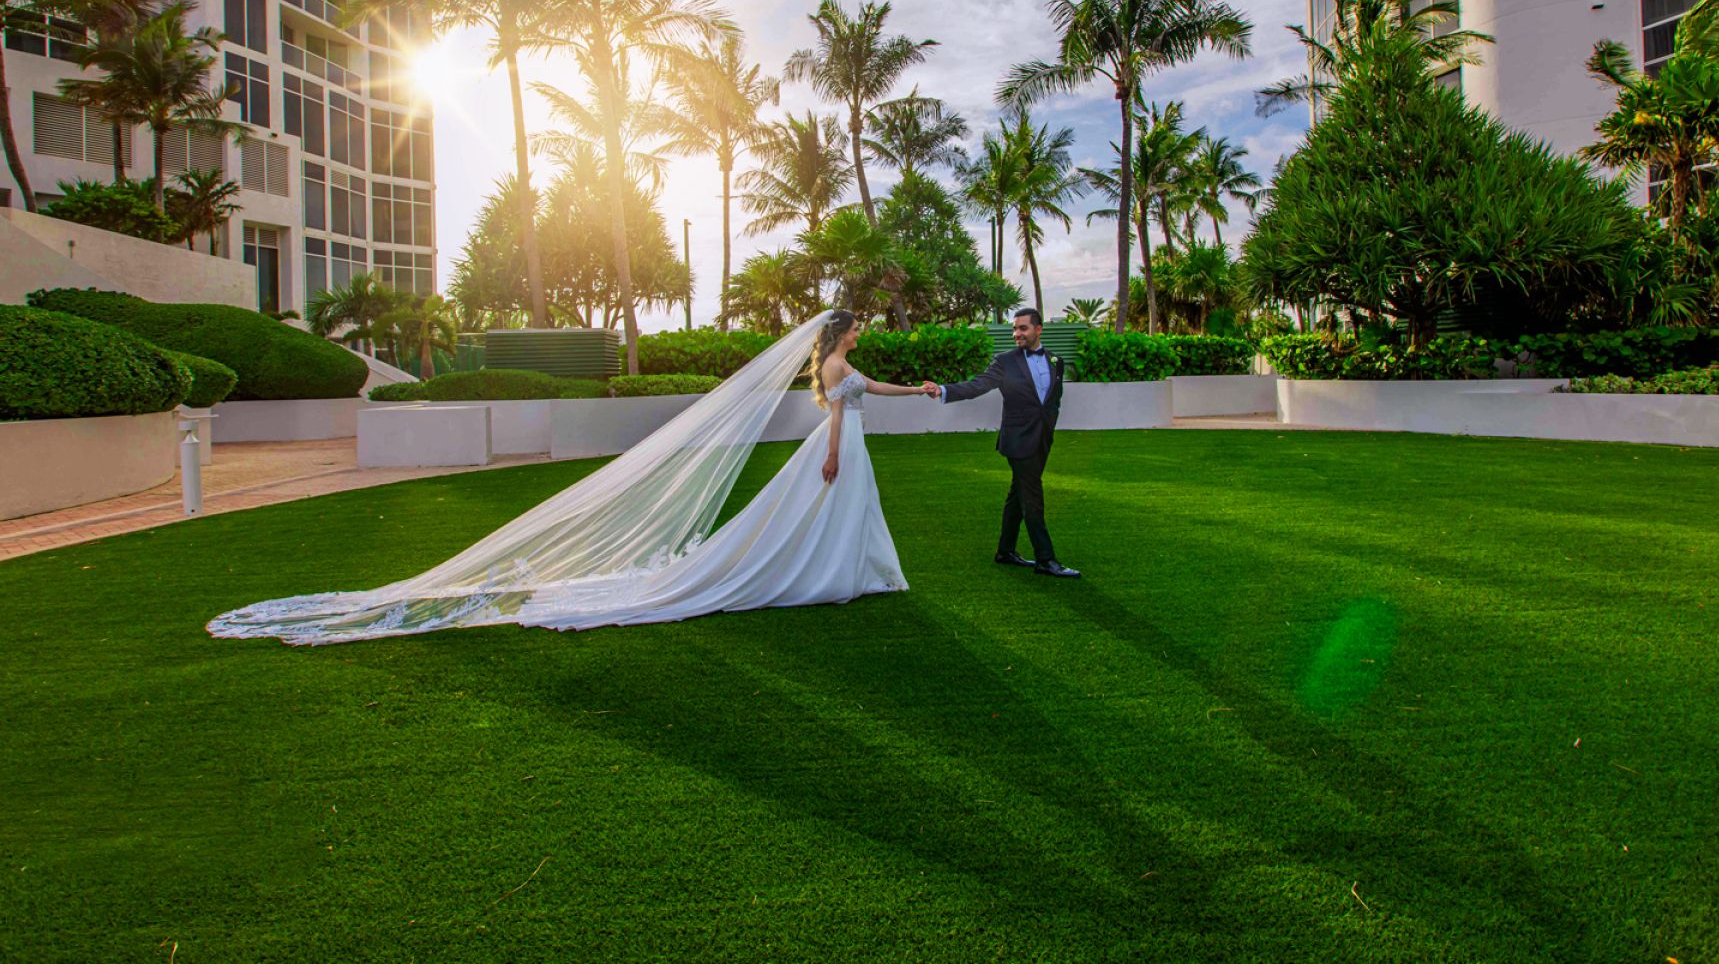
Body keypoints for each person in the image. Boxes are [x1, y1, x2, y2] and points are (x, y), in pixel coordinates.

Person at [209, 310, 934, 644]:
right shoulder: (835, 368)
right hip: (841, 449)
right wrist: (834, 452)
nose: (858, 339)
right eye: (856, 331)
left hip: (852, 445)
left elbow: (873, 392)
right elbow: (840, 413)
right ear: (839, 336)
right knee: (824, 514)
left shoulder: (843, 366)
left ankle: (859, 571)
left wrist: (922, 389)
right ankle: (840, 574)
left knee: (843, 517)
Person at [921, 308, 1078, 579]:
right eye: (1014, 329)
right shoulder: (1005, 361)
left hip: (1042, 438)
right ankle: (1046, 559)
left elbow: (1054, 399)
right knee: (1032, 498)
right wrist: (943, 390)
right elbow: (978, 385)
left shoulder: (1056, 360)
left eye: (1023, 328)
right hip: (1018, 440)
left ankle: (1005, 551)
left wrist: (1048, 426)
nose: (1017, 333)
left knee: (1018, 495)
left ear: (1038, 329)